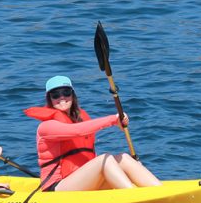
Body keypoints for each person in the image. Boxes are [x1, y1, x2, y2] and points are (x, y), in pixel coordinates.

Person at [24, 76, 162, 191]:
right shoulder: (46, 127)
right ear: (49, 98)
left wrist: (119, 121)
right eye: (55, 95)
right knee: (104, 159)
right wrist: (113, 120)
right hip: (57, 187)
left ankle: (159, 191)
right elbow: (78, 131)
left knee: (124, 158)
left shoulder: (80, 118)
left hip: (82, 182)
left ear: (72, 95)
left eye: (66, 92)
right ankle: (135, 198)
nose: (62, 98)